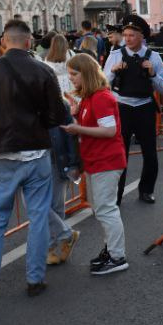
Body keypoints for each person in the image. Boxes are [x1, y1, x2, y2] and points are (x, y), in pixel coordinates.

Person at [0, 19, 68, 304]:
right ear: (28, 42)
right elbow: (56, 116)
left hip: (2, 154)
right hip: (36, 151)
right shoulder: (43, 69)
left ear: (4, 41)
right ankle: (35, 279)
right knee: (38, 217)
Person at [63, 54, 129, 275]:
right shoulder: (91, 97)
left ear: (86, 73)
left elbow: (109, 131)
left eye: (74, 73)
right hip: (97, 161)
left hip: (106, 161)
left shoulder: (101, 97)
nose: (70, 78)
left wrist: (77, 128)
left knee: (106, 210)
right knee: (103, 209)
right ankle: (112, 250)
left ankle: (117, 256)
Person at [105, 16, 163, 205]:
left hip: (144, 107)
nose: (127, 39)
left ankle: (146, 190)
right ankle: (116, 195)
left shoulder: (154, 57)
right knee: (120, 154)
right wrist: (113, 71)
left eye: (131, 35)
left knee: (149, 153)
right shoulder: (115, 55)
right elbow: (102, 84)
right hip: (122, 107)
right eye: (125, 35)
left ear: (141, 36)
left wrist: (153, 74)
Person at [41, 34, 80, 266]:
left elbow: (68, 135)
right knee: (46, 204)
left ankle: (56, 245)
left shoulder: (47, 65)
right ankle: (62, 238)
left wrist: (74, 162)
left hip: (56, 155)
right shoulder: (66, 60)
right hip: (45, 155)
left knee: (51, 204)